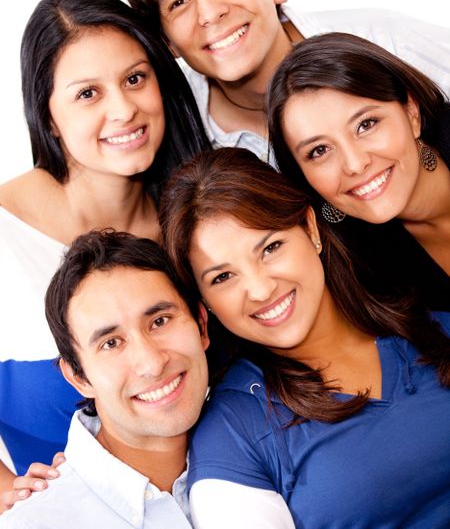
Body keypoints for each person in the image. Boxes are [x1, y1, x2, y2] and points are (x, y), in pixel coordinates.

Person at [159, 147, 450, 528]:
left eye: (270, 248)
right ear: (204, 302)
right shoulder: (233, 434)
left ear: (310, 229)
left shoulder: (434, 329)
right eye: (223, 277)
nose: (260, 289)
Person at [0, 0, 209, 505]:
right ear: (48, 115)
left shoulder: (198, 215)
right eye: (88, 93)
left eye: (135, 79)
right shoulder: (7, 232)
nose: (124, 111)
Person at [122, 0, 450, 162]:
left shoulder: (386, 42)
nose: (209, 13)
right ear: (166, 40)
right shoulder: (170, 128)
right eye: (178, 2)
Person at [0, 229, 210, 527]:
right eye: (111, 343)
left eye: (159, 321)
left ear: (201, 326)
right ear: (78, 377)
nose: (151, 363)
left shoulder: (270, 447)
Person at [268, 32, 450, 308]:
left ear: (411, 112)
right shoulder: (355, 262)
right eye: (319, 151)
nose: (354, 164)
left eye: (366, 125)